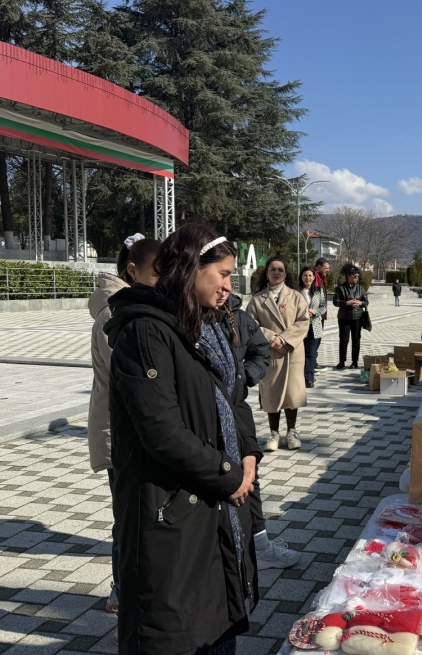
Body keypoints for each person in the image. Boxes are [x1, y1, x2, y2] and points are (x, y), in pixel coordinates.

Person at [105, 222, 261, 654]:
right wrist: (229, 475)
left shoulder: (207, 324)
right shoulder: (146, 331)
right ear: (191, 269)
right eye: (224, 274)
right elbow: (161, 431)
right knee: (176, 630)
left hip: (214, 511)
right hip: (171, 510)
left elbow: (234, 398)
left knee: (218, 625)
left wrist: (248, 453)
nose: (231, 285)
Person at [87, 233, 161, 617]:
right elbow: (134, 377)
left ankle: (129, 585)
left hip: (127, 429)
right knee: (129, 517)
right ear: (131, 270)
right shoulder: (115, 314)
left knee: (133, 514)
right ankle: (122, 588)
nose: (162, 281)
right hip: (120, 432)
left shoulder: (124, 307)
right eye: (156, 273)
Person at [219, 290, 302, 570]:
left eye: (229, 276)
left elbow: (259, 350)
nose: (226, 286)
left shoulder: (236, 315)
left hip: (236, 408)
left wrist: (241, 379)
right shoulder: (188, 317)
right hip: (205, 416)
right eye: (220, 274)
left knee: (249, 474)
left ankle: (259, 545)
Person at [247, 257, 309, 452]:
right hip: (270, 352)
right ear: (266, 273)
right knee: (271, 392)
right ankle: (274, 433)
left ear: (285, 273)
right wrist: (272, 337)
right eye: (272, 269)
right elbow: (250, 325)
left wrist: (284, 339)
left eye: (280, 270)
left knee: (292, 392)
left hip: (291, 351)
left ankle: (292, 431)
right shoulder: (257, 300)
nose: (276, 273)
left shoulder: (296, 296)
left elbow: (303, 322)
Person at [333, 264, 368, 369]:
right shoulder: (340, 288)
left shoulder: (361, 288)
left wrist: (360, 303)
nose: (356, 278)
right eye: (354, 276)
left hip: (357, 317)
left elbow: (366, 302)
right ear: (348, 276)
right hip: (344, 318)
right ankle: (342, 361)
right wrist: (347, 303)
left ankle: (355, 362)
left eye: (357, 276)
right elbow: (335, 302)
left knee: (356, 339)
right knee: (344, 340)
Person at [298, 266, 326, 387]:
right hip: (300, 326)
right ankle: (299, 377)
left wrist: (315, 312)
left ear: (314, 277)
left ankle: (309, 378)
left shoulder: (319, 291)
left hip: (315, 325)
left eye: (310, 275)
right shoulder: (297, 291)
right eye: (305, 275)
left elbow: (324, 306)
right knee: (300, 353)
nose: (307, 278)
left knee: (311, 352)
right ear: (301, 277)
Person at [313, 258, 331, 370]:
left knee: (318, 338)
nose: (328, 271)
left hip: (320, 313)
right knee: (314, 339)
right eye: (326, 268)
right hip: (315, 315)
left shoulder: (322, 279)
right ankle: (311, 363)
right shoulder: (314, 278)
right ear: (318, 267)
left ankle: (313, 361)